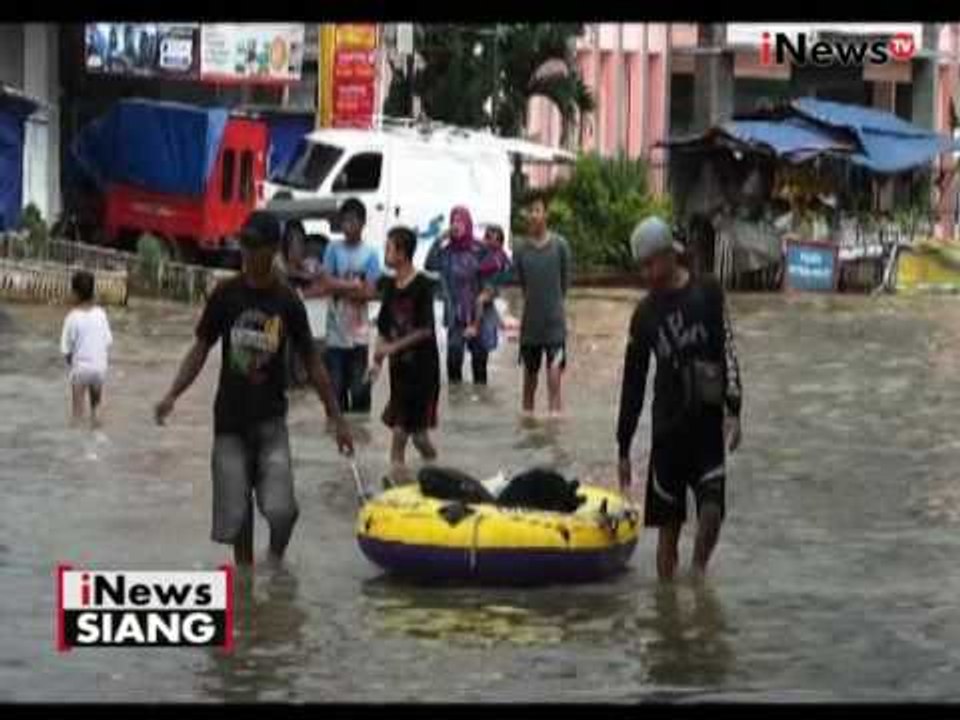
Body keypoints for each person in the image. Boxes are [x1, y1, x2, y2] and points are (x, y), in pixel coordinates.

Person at [153, 211, 354, 567]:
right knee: (236, 513)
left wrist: (336, 418)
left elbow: (312, 361)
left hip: (270, 420)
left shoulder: (287, 300)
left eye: (253, 245)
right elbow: (200, 348)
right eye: (243, 243)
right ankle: (245, 582)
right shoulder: (226, 294)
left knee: (282, 510)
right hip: (229, 421)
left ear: (273, 249)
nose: (245, 251)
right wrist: (172, 394)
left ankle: (275, 562)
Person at [616, 216, 743, 582]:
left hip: (707, 424)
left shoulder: (708, 293)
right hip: (668, 429)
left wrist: (734, 409)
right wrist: (623, 447)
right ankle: (667, 598)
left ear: (670, 255)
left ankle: (699, 575)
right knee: (667, 530)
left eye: (650, 263)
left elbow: (727, 352)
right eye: (641, 266)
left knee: (712, 511)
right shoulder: (644, 315)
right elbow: (633, 382)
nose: (646, 274)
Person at [371, 226, 441, 483]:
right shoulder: (389, 286)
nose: (385, 253)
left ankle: (434, 471)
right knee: (400, 432)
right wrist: (377, 362)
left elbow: (425, 330)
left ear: (402, 253)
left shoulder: (422, 285)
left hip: (423, 372)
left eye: (388, 248)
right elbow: (383, 329)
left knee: (418, 436)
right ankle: (397, 480)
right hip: (399, 373)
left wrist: (392, 348)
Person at [513, 193, 572, 415]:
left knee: (555, 377)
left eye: (537, 210)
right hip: (530, 326)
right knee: (529, 379)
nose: (533, 215)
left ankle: (554, 421)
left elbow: (564, 283)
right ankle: (527, 421)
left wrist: (556, 307)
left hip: (554, 324)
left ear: (546, 214)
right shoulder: (521, 249)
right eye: (530, 211)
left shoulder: (560, 246)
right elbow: (523, 284)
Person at [322, 198, 381, 413]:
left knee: (359, 393)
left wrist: (341, 287)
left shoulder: (371, 254)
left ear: (362, 223)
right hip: (335, 333)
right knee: (335, 394)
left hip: (359, 334)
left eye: (352, 221)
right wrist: (353, 285)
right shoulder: (333, 249)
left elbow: (371, 292)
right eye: (344, 221)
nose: (347, 226)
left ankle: (360, 432)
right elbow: (325, 282)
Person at [425, 206, 491, 385]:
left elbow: (492, 280)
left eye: (460, 221)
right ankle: (455, 400)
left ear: (468, 224)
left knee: (480, 366)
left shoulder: (480, 249)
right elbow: (429, 265)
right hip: (455, 316)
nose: (456, 225)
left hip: (479, 315)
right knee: (453, 363)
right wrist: (439, 239)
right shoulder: (446, 252)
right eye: (453, 221)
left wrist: (479, 316)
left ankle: (481, 400)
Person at [60, 270, 113, 429]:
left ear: (74, 293)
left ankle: (75, 439)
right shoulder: (101, 314)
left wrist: (74, 364)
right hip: (99, 369)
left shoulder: (71, 317)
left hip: (81, 369)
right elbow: (108, 342)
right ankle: (97, 434)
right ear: (93, 292)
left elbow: (66, 350)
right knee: (96, 409)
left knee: (77, 414)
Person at [464, 224, 511, 354]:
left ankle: (475, 327)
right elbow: (477, 242)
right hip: (487, 285)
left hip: (492, 286)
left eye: (494, 239)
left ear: (500, 242)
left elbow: (485, 267)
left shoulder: (498, 256)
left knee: (480, 301)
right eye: (488, 237)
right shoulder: (487, 251)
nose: (489, 241)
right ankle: (496, 323)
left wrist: (476, 268)